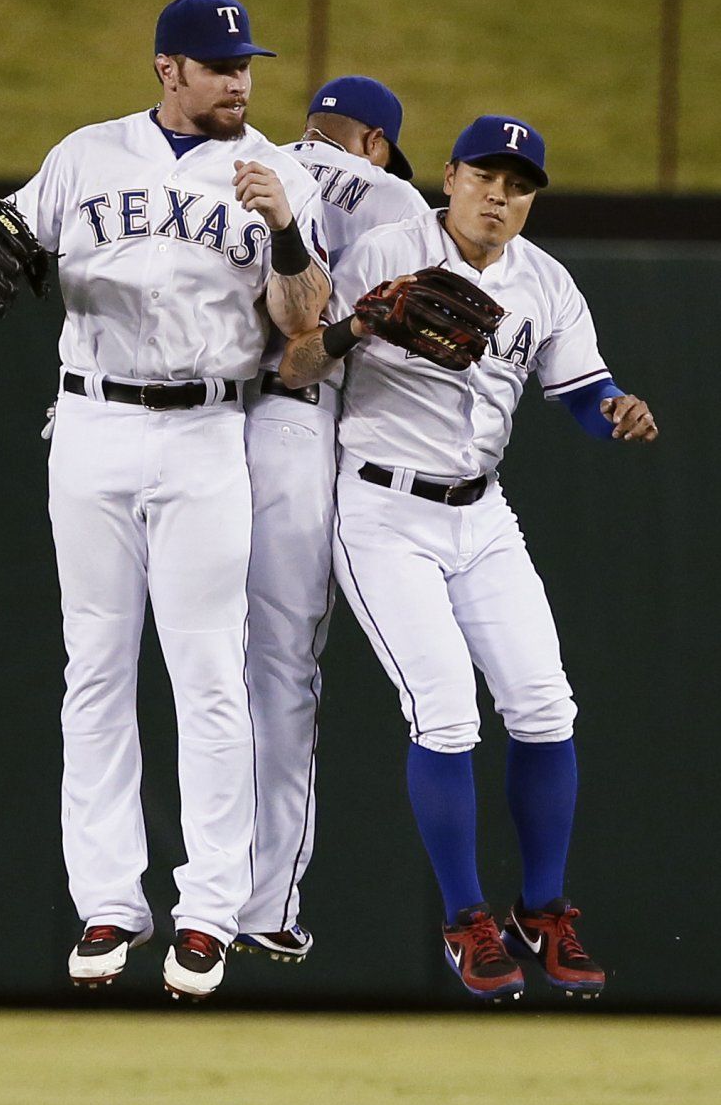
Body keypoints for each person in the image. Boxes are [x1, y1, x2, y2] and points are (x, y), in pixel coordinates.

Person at [0, 0, 331, 1001]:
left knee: (209, 673)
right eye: (220, 66)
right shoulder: (86, 154)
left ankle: (208, 910)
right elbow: (9, 237)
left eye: (247, 65)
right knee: (96, 667)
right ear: (169, 68)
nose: (240, 82)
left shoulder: (275, 171)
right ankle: (110, 900)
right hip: (91, 426)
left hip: (210, 429)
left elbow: (304, 324)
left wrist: (287, 228)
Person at [279, 114, 658, 1001]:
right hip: (379, 509)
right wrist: (356, 327)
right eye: (485, 175)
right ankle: (465, 922)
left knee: (543, 703)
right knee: (446, 713)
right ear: (448, 176)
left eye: (518, 184)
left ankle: (544, 910)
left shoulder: (545, 283)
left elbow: (580, 387)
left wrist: (612, 409)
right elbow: (295, 363)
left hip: (481, 512)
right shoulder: (382, 251)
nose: (499, 194)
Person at [233, 78, 429, 964]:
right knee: (279, 669)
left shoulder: (249, 166)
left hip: (192, 418)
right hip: (293, 426)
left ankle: (165, 893)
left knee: (172, 669)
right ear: (375, 142)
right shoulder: (393, 198)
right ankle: (264, 901)